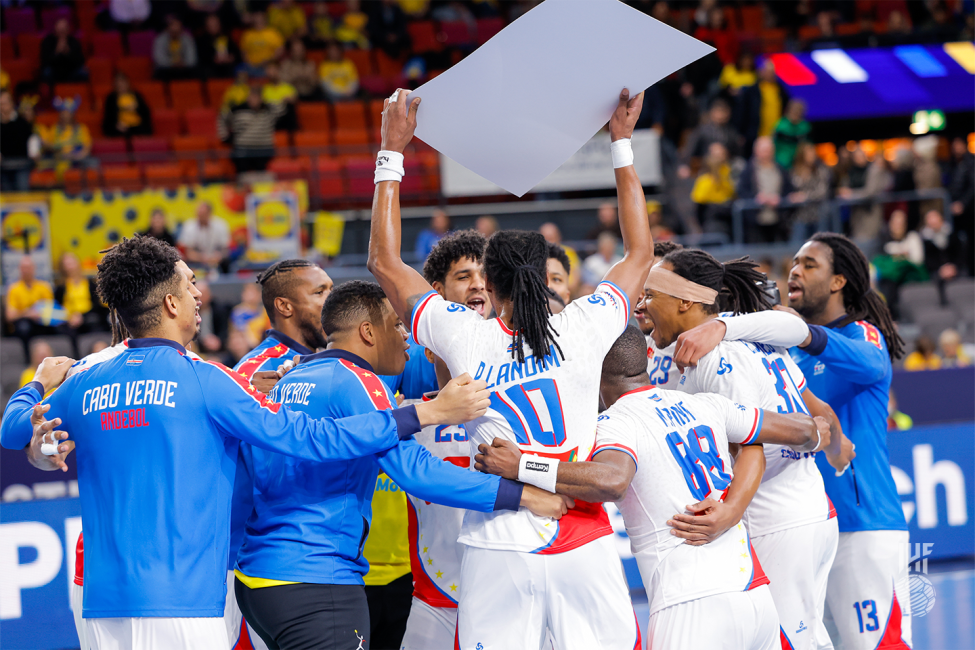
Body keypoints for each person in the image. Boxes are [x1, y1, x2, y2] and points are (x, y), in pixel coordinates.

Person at [1, 235, 491, 650]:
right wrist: (424, 413)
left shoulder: (86, 375)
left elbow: (14, 431)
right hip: (191, 599)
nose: (200, 293)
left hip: (102, 596)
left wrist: (39, 384)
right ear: (171, 302)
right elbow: (307, 439)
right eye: (190, 283)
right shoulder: (209, 380)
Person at [367, 87, 654, 649]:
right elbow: (640, 252)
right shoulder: (584, 326)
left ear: (488, 284)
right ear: (547, 277)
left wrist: (391, 150)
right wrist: (621, 143)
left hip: (499, 544)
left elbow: (383, 261)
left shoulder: (463, 335)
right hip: (583, 537)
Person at [235, 280, 564, 650]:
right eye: (395, 324)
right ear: (367, 332)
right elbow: (415, 470)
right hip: (315, 578)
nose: (405, 335)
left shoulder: (287, 379)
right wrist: (521, 495)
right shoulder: (357, 380)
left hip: (258, 579)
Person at [475, 325, 833, 650]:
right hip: (754, 597)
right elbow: (799, 431)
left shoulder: (615, 423)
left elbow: (613, 481)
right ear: (645, 357)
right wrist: (818, 432)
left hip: (690, 605)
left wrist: (522, 464)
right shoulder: (703, 404)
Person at [645, 248, 853, 650]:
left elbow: (750, 444)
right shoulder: (751, 333)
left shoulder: (714, 352)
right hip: (803, 507)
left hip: (779, 513)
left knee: (793, 640)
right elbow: (813, 404)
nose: (641, 303)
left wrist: (730, 512)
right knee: (802, 636)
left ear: (686, 299)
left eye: (651, 293)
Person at [225, 258, 334, 649]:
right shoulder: (249, 374)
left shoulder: (339, 360)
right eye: (320, 292)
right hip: (266, 561)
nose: (332, 299)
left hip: (332, 555)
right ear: (285, 306)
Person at [737, 136, 794, 242]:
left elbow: (789, 190)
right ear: (756, 151)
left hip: (778, 219)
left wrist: (780, 199)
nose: (766, 154)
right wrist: (757, 198)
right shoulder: (748, 170)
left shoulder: (780, 169)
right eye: (764, 150)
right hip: (755, 220)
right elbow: (741, 191)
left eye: (769, 150)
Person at [872, 209, 926, 321]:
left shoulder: (912, 237)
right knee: (887, 281)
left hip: (910, 275)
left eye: (901, 223)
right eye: (895, 222)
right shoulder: (882, 239)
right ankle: (891, 316)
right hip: (889, 279)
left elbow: (917, 260)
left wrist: (899, 258)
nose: (898, 226)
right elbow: (880, 261)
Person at [218, 86, 283, 173]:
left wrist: (265, 101)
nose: (253, 99)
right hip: (242, 150)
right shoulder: (237, 109)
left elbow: (281, 108)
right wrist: (224, 137)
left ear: (261, 98)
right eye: (251, 96)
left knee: (262, 177)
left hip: (264, 150)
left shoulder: (268, 111)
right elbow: (222, 118)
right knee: (242, 173)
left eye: (256, 96)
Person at [678, 98, 743, 178]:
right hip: (705, 165)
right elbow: (690, 148)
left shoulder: (731, 132)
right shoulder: (702, 130)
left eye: (723, 112)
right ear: (712, 113)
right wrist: (685, 164)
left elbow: (737, 152)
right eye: (718, 112)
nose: (721, 115)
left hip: (726, 166)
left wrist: (725, 152)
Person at [6, 257, 55, 357]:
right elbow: (10, 316)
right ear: (19, 269)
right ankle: (28, 358)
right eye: (24, 268)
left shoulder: (44, 286)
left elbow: (52, 310)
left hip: (41, 320)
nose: (26, 271)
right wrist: (28, 313)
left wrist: (39, 313)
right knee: (24, 327)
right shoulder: (14, 289)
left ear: (34, 268)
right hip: (23, 323)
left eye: (28, 267)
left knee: (57, 327)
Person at [56, 251, 106, 344]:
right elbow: (57, 306)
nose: (70, 266)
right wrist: (69, 317)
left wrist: (82, 316)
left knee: (95, 322)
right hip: (68, 318)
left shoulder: (90, 284)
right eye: (66, 264)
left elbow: (96, 304)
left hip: (87, 315)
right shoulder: (61, 287)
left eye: (71, 263)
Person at [38, 97, 92, 176]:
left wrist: (77, 156)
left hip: (77, 161)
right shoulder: (55, 129)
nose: (65, 115)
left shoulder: (81, 129)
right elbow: (47, 144)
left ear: (73, 114)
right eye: (63, 112)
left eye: (68, 113)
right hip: (58, 160)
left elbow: (87, 147)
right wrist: (54, 148)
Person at [788, 142, 831, 241]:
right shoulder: (794, 172)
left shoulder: (821, 171)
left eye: (813, 153)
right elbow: (791, 191)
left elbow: (822, 192)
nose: (812, 156)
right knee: (796, 244)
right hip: (801, 215)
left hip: (818, 214)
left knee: (820, 244)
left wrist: (805, 196)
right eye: (809, 154)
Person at [690, 141, 735, 236]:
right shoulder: (704, 181)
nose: (718, 159)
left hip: (729, 220)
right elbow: (698, 207)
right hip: (711, 222)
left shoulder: (729, 174)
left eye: (721, 155)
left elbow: (732, 194)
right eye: (715, 155)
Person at [920, 209, 964, 305]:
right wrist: (940, 269)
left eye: (934, 217)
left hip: (954, 269)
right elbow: (927, 260)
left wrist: (954, 267)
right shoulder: (925, 240)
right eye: (929, 219)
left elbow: (960, 254)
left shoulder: (952, 234)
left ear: (941, 219)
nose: (932, 221)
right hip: (936, 271)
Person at [948, 135, 975, 276]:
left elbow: (973, 187)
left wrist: (963, 204)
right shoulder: (955, 162)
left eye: (958, 144)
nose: (955, 148)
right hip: (959, 212)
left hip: (970, 211)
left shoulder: (970, 161)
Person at [178, 201, 231, 271]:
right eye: (199, 214)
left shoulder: (221, 225)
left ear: (209, 213)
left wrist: (219, 256)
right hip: (195, 263)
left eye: (203, 214)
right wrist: (202, 258)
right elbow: (187, 252)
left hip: (218, 262)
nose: (200, 217)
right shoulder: (189, 226)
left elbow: (226, 249)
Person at [0, 90, 35, 191]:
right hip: (3, 167)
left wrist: (34, 152)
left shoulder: (22, 122)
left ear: (11, 104)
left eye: (4, 103)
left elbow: (32, 140)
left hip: (22, 166)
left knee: (22, 194)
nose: (2, 107)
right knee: (7, 198)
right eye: (0, 104)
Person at [101, 72, 153, 137]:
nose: (120, 85)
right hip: (119, 127)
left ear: (127, 83)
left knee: (144, 131)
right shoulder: (111, 98)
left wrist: (136, 108)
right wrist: (116, 125)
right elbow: (108, 116)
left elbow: (146, 112)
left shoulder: (136, 95)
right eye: (118, 83)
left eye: (122, 82)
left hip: (137, 126)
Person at [540, 222, 581, 297]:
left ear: (558, 237)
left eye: (551, 238)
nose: (549, 242)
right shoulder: (535, 255)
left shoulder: (569, 252)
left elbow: (575, 281)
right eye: (545, 238)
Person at [40, 19, 86, 84]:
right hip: (54, 70)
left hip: (71, 70)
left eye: (64, 30)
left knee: (83, 72)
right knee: (46, 72)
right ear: (55, 30)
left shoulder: (74, 41)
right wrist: (57, 52)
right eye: (60, 30)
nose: (62, 32)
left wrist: (67, 53)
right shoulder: (48, 41)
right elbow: (45, 62)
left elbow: (80, 62)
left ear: (68, 30)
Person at [153, 15, 198, 80]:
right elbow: (159, 59)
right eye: (172, 27)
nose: (175, 29)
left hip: (184, 69)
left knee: (196, 72)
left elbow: (192, 59)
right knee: (159, 73)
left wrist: (183, 63)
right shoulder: (160, 39)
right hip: (166, 69)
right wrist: (172, 63)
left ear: (181, 29)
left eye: (177, 27)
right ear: (168, 28)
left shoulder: (188, 39)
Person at [197, 13, 239, 78]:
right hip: (211, 69)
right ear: (206, 26)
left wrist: (231, 58)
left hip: (227, 67)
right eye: (211, 25)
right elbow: (202, 57)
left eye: (215, 25)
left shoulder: (226, 37)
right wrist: (213, 59)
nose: (213, 27)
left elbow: (235, 53)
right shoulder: (202, 40)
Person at [773, 99, 811, 169]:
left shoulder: (805, 127)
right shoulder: (780, 126)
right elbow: (773, 144)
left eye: (798, 111)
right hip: (781, 161)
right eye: (794, 111)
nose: (795, 113)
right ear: (789, 111)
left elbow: (807, 146)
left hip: (799, 161)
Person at [261, 62, 298, 130]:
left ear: (279, 71)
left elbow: (294, 101)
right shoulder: (264, 89)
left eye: (274, 69)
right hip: (269, 119)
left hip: (284, 119)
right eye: (269, 70)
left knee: (289, 108)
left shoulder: (288, 87)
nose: (272, 72)